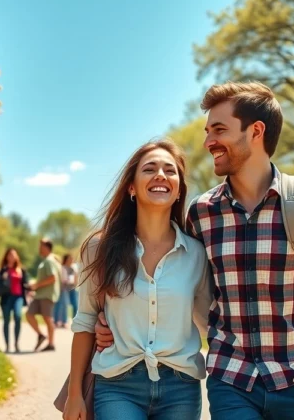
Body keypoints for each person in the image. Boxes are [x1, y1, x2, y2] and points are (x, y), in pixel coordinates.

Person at [95, 82, 294, 419]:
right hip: (231, 381)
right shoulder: (202, 213)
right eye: (208, 131)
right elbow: (173, 278)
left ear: (256, 131)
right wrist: (115, 321)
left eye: (219, 129)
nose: (208, 141)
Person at [64, 139, 210, 420]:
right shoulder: (99, 248)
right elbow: (85, 321)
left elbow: (209, 323)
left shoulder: (196, 253)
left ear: (179, 189)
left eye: (170, 170)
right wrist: (74, 394)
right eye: (149, 169)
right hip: (118, 386)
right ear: (131, 187)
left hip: (181, 388)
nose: (160, 175)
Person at [27, 238, 62, 352]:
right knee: (29, 314)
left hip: (47, 295)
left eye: (41, 246)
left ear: (47, 247)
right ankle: (41, 335)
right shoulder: (46, 260)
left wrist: (37, 285)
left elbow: (52, 278)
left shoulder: (49, 261)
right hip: (40, 295)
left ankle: (51, 344)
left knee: (47, 319)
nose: (39, 248)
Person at [0, 248, 31, 353]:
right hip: (6, 297)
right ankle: (7, 345)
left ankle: (16, 343)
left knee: (18, 316)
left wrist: (30, 288)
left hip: (18, 297)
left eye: (13, 255)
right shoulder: (3, 270)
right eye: (10, 255)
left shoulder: (21, 270)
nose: (11, 257)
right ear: (6, 257)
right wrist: (3, 278)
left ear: (16, 257)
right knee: (6, 320)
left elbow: (25, 283)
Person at [54, 253, 71, 328]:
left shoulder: (61, 268)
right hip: (61, 289)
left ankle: (61, 321)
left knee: (61, 305)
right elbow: (65, 280)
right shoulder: (61, 268)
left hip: (61, 290)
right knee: (61, 305)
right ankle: (60, 321)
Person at [62, 254, 79, 319]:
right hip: (65, 289)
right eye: (70, 259)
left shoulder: (73, 267)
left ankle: (74, 319)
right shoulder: (63, 268)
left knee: (75, 305)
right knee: (65, 305)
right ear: (66, 259)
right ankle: (64, 320)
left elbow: (76, 277)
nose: (71, 260)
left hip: (72, 288)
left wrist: (75, 284)